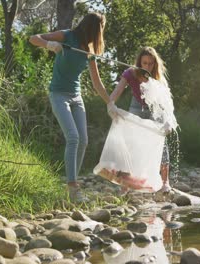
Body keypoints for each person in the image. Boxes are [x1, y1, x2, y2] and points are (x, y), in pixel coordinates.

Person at [29, 12, 117, 202]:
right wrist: (49, 44)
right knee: (73, 137)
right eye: (101, 28)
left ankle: (72, 183)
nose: (102, 32)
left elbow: (97, 83)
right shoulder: (66, 36)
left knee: (83, 140)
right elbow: (33, 38)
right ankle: (73, 187)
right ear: (94, 27)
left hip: (76, 97)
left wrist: (110, 103)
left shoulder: (90, 49)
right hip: (58, 95)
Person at [108, 47, 172, 194]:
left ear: (155, 64)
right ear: (140, 62)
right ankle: (125, 183)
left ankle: (165, 182)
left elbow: (167, 103)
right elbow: (117, 90)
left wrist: (168, 120)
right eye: (145, 63)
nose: (148, 66)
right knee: (130, 143)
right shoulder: (130, 73)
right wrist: (110, 104)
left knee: (161, 143)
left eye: (151, 63)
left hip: (156, 110)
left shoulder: (159, 78)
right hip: (137, 106)